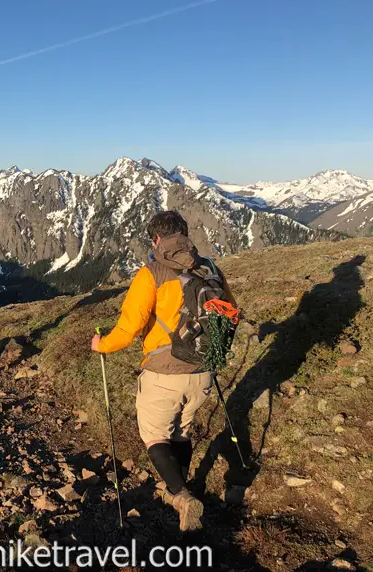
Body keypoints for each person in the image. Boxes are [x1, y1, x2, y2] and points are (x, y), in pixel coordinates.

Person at [90, 210, 235, 532]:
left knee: (155, 435)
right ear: (184, 234)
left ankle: (181, 495)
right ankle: (179, 491)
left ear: (156, 239)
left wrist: (102, 345)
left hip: (163, 372)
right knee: (181, 431)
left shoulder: (151, 273)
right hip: (203, 369)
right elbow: (229, 311)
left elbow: (129, 329)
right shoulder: (209, 267)